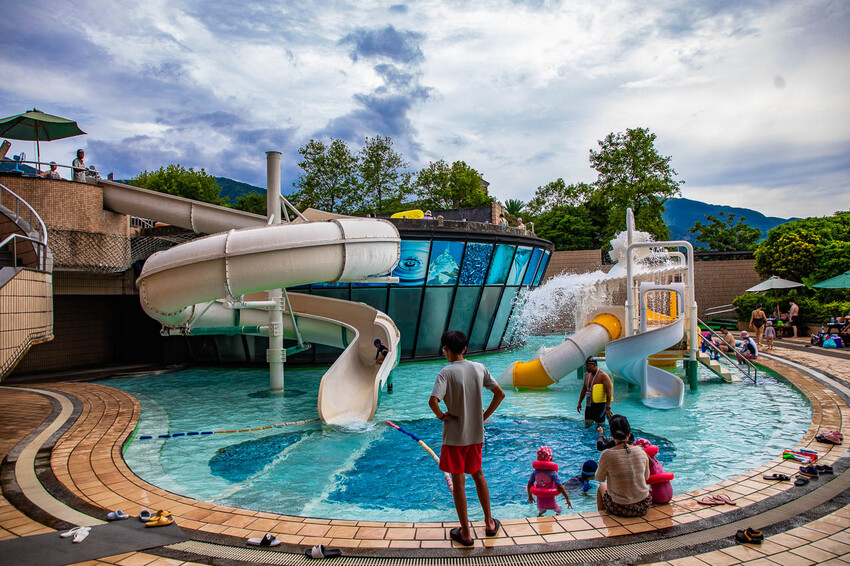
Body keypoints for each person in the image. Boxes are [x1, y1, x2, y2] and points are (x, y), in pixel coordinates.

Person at [429, 330, 505, 547]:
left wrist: (443, 416)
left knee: (459, 482)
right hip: (476, 435)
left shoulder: (445, 373)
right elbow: (500, 394)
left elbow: (433, 401)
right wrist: (483, 417)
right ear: (464, 349)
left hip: (454, 438)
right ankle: (490, 523)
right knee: (479, 475)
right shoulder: (479, 368)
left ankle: (466, 532)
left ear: (445, 349)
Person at [595, 414, 651, 517]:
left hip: (620, 507)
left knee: (601, 487)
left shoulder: (607, 455)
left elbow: (599, 478)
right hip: (643, 505)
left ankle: (605, 520)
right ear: (629, 434)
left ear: (611, 434)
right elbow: (646, 477)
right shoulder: (641, 451)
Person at [526, 446, 572, 516]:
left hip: (540, 501)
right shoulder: (553, 473)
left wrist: (530, 496)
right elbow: (560, 486)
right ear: (550, 458)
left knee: (541, 512)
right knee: (558, 511)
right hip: (550, 501)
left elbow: (529, 484)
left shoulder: (535, 472)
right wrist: (567, 499)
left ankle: (539, 524)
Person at [577, 357, 613, 426]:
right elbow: (584, 389)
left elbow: (608, 393)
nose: (586, 368)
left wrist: (608, 408)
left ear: (594, 365)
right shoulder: (587, 375)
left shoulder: (603, 376)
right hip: (589, 403)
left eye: (588, 366)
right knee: (587, 424)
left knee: (600, 425)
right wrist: (579, 402)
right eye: (586, 366)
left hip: (600, 405)